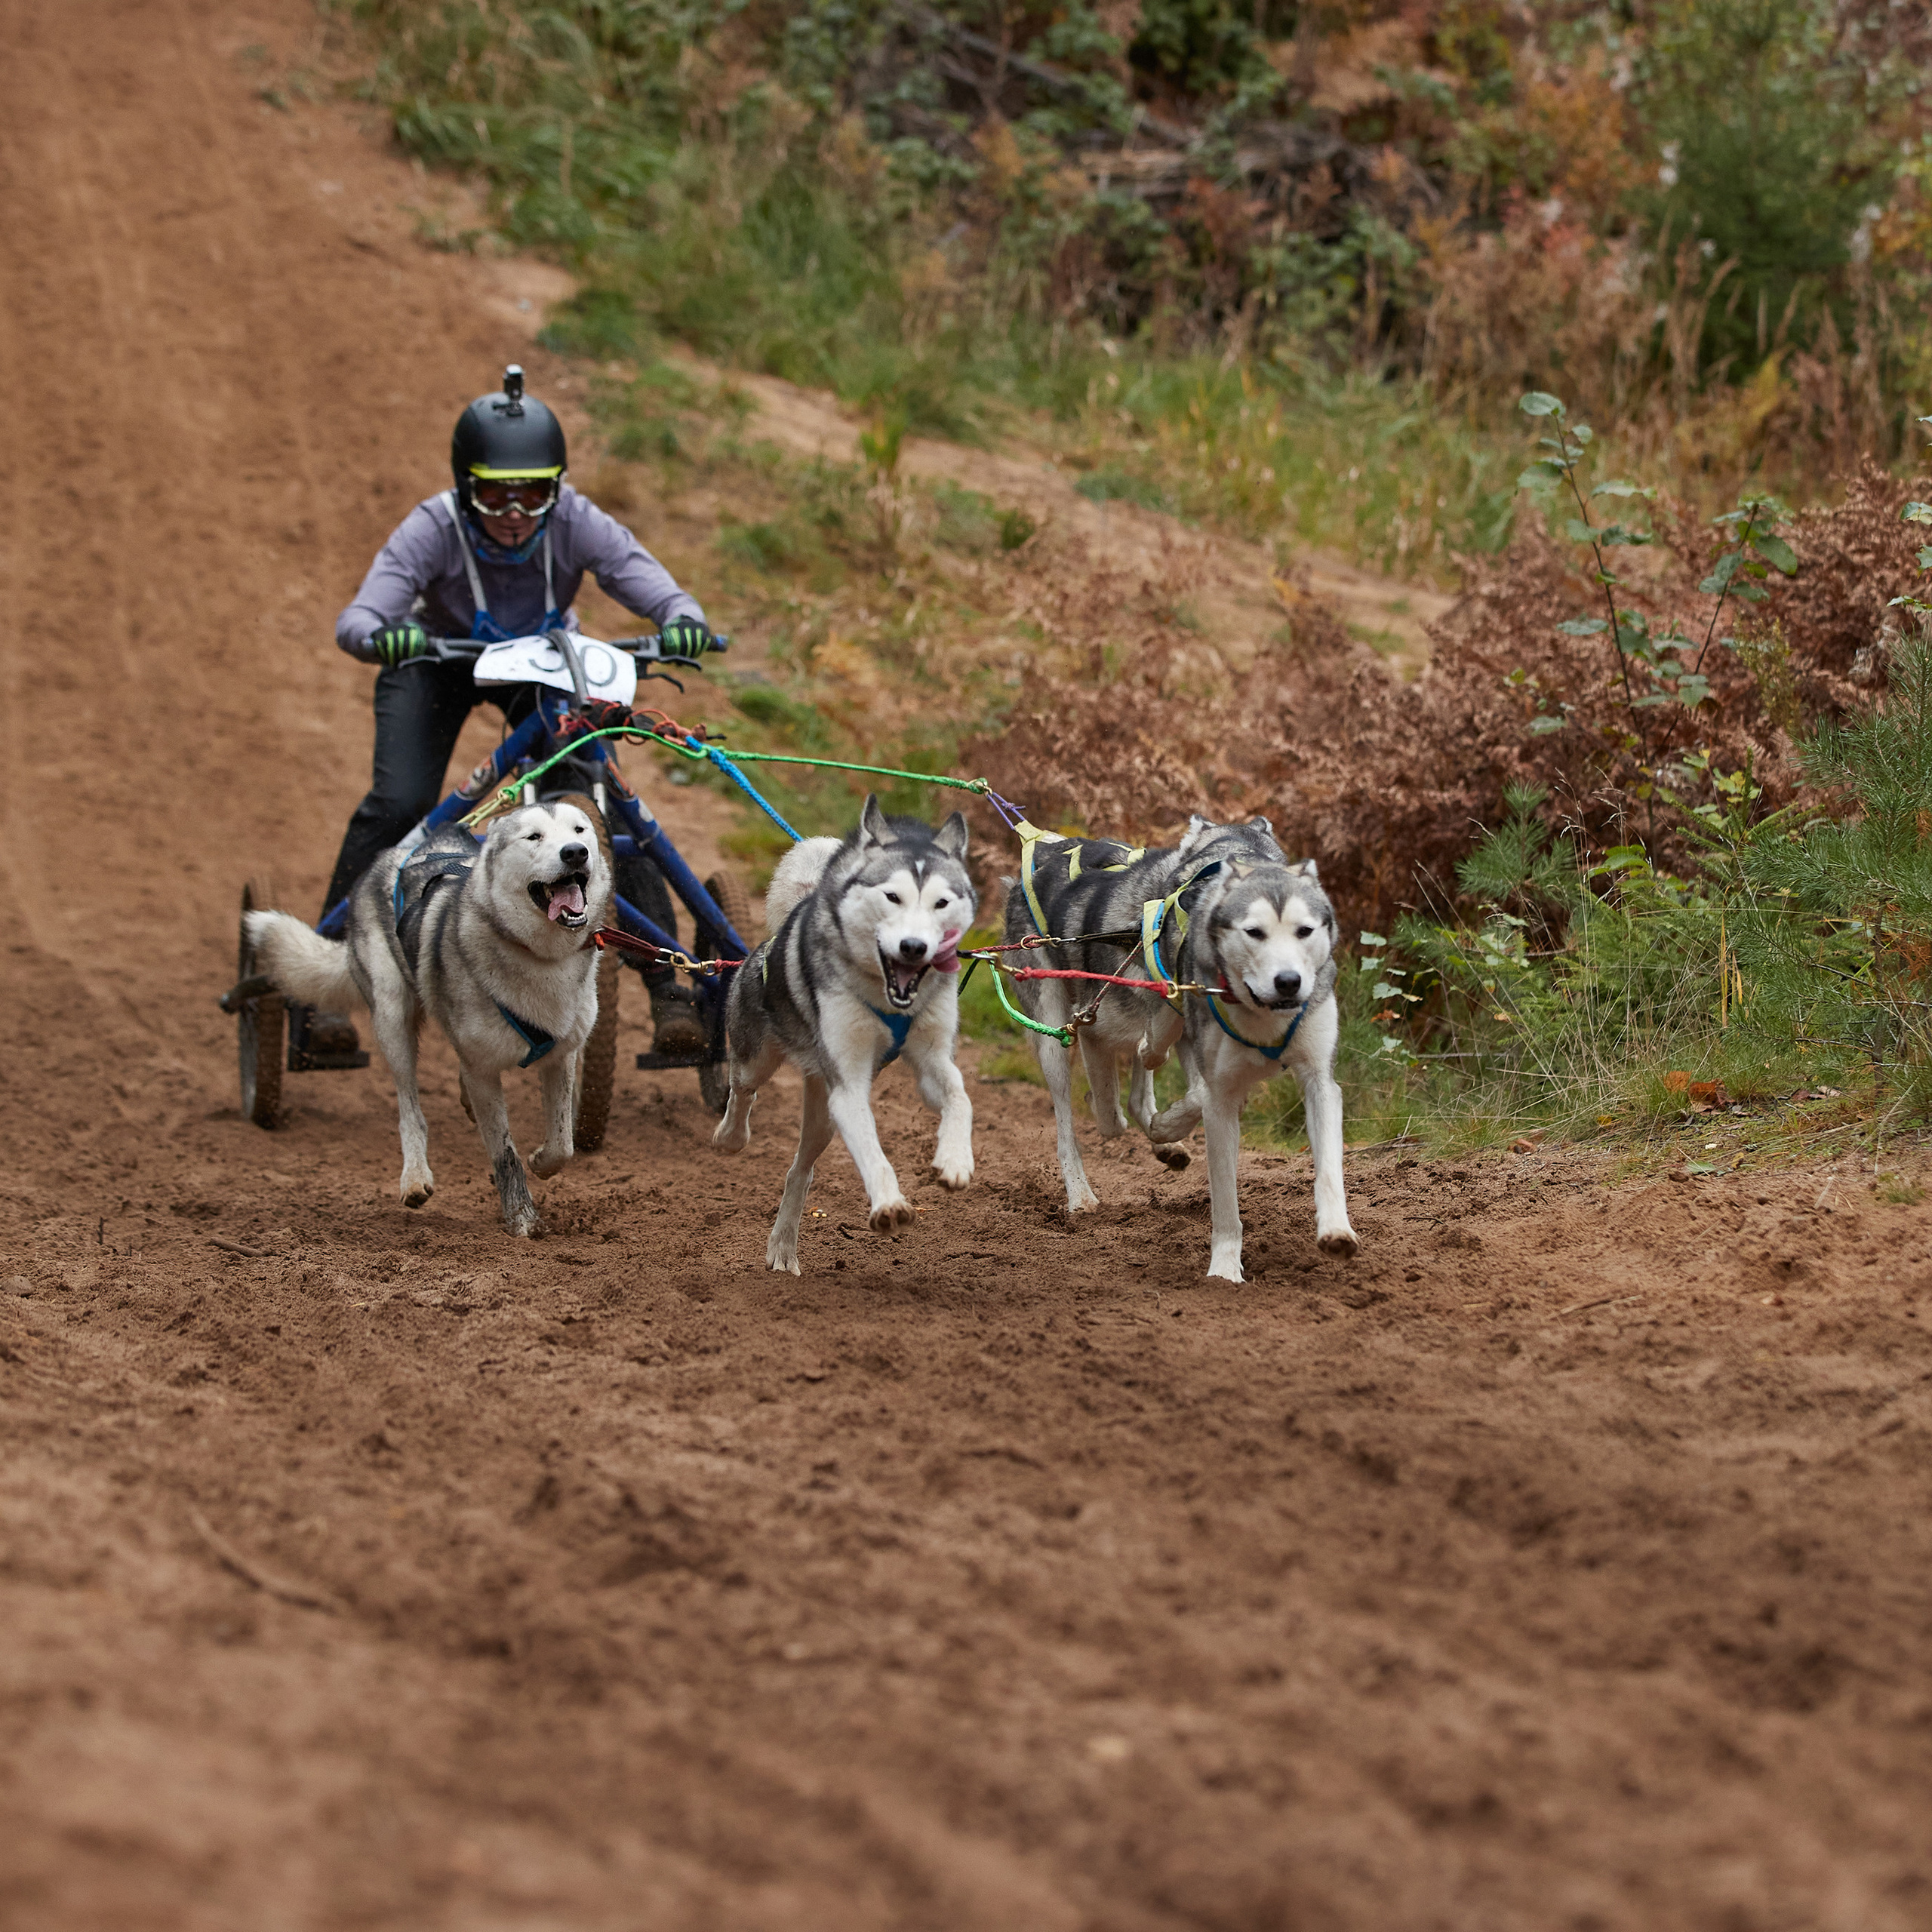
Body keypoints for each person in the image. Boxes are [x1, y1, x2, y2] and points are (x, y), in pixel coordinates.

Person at [304, 365, 710, 1064]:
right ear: (467, 487)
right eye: (495, 491)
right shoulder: (433, 527)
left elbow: (653, 584)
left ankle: (670, 988)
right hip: (442, 662)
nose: (516, 509)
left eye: (534, 491)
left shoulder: (577, 519)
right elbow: (359, 616)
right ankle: (326, 977)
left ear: (557, 486)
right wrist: (385, 635)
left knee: (596, 806)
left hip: (548, 671)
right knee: (400, 800)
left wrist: (681, 618)